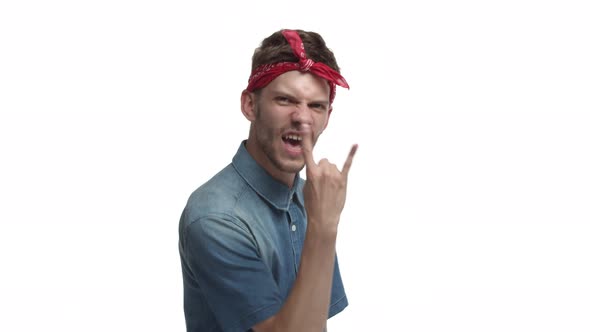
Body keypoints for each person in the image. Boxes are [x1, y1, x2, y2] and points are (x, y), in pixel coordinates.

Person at [178, 28, 358, 332]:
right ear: (250, 105)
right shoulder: (215, 217)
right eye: (286, 99)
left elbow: (314, 322)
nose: (302, 117)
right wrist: (324, 227)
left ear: (327, 117)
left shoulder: (309, 196)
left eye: (316, 105)